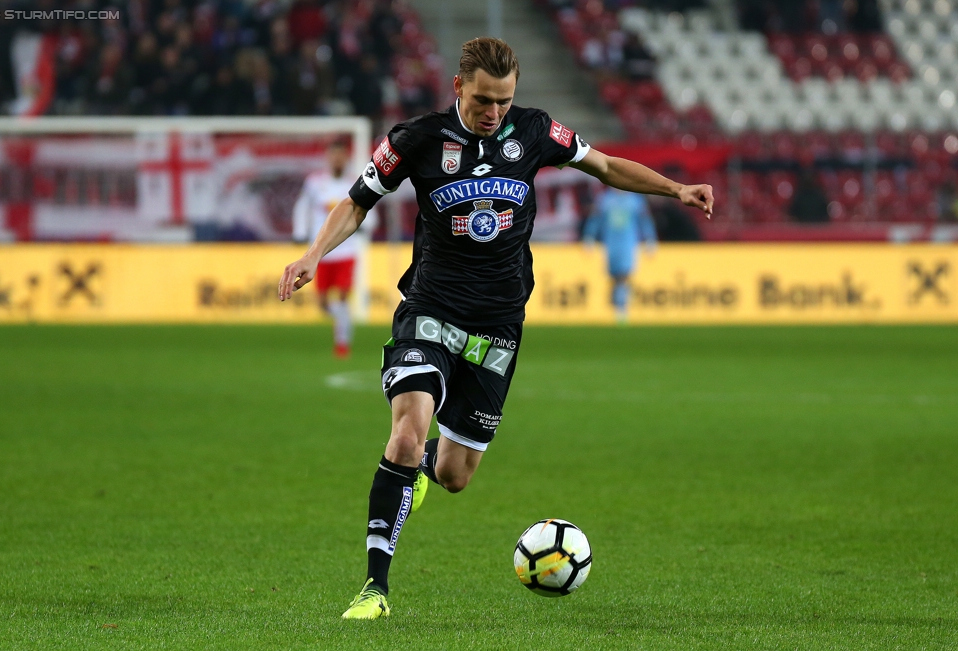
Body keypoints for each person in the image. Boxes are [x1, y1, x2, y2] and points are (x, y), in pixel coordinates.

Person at [277, 37, 713, 619]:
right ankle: (374, 588)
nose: (495, 113)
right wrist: (314, 254)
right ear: (459, 87)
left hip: (499, 327)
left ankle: (423, 470)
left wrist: (676, 189)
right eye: (484, 100)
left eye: (504, 101)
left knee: (454, 473)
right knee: (406, 432)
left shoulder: (535, 131)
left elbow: (605, 167)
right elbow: (357, 202)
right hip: (430, 309)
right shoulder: (418, 139)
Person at [291, 138, 371, 358]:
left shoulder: (356, 182)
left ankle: (342, 343)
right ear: (328, 158)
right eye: (333, 155)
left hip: (347, 250)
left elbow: (369, 206)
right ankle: (342, 320)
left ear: (346, 158)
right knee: (324, 304)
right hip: (322, 253)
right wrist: (299, 232)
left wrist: (368, 227)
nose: (337, 159)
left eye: (341, 155)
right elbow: (302, 207)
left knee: (344, 297)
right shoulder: (315, 183)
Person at [582, 188, 657, 322]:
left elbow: (644, 220)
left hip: (628, 243)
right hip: (610, 244)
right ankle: (616, 304)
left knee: (624, 274)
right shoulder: (605, 199)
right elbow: (595, 219)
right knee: (614, 276)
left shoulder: (635, 200)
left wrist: (650, 239)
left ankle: (621, 307)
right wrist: (589, 237)